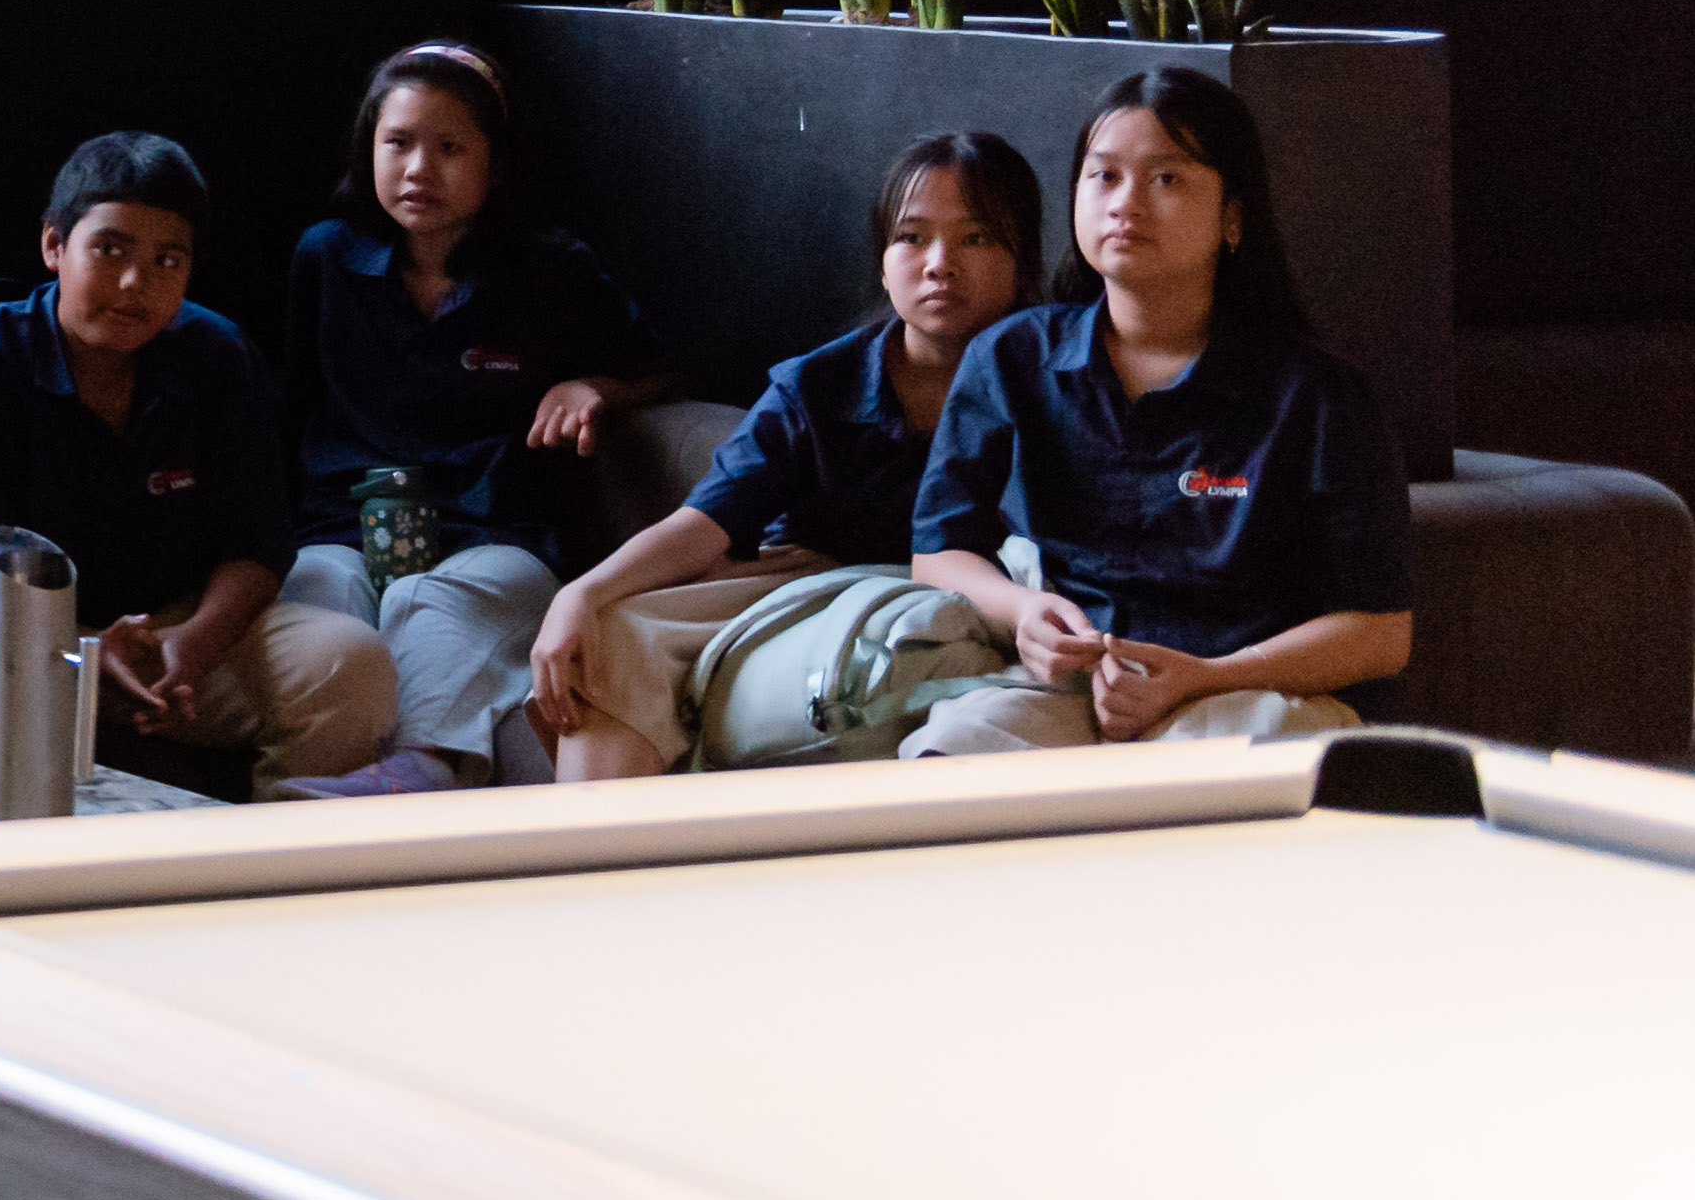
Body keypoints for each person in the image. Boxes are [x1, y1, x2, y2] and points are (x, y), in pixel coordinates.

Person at [905, 67, 1410, 753]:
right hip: (1071, 687)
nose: (1125, 203)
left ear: (1233, 217)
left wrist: (1206, 676)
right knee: (954, 752)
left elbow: (1381, 632)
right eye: (1104, 176)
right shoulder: (1010, 357)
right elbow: (938, 551)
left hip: (1246, 691)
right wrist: (1024, 612)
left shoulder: (1320, 397)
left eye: (1166, 178)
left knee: (1214, 772)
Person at [526, 134, 1039, 782]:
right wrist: (582, 593)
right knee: (609, 637)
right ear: (882, 262)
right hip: (809, 587)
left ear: (1022, 260)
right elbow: (703, 523)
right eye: (911, 237)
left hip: (984, 602)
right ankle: (595, 843)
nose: (939, 263)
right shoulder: (819, 386)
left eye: (976, 238)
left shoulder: (1052, 378)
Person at [0, 134, 391, 788]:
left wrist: (195, 642)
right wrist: (82, 647)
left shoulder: (216, 356)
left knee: (349, 663)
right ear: (53, 245)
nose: (136, 283)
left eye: (166, 260)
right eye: (109, 250)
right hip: (16, 643)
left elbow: (256, 545)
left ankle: (278, 847)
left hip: (173, 635)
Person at [267, 44, 673, 797]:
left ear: (496, 161)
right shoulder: (324, 259)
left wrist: (592, 386)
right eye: (398, 143)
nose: (419, 169)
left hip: (493, 536)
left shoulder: (549, 268)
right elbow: (291, 407)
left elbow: (658, 365)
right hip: (341, 526)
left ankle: (420, 772)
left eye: (450, 148)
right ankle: (313, 795)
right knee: (323, 597)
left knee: (426, 601)